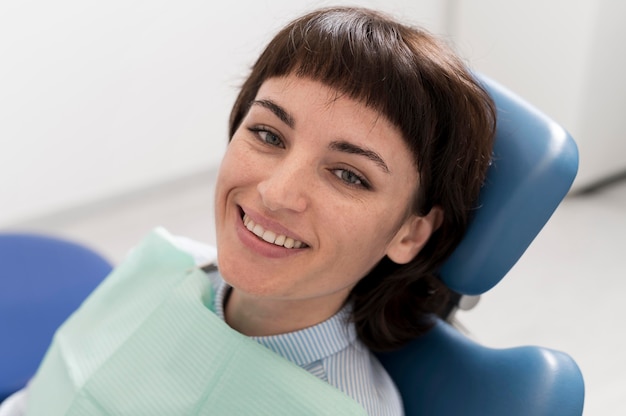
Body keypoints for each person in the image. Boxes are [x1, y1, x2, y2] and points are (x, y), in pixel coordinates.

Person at [0, 6, 496, 416]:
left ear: (410, 233)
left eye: (349, 174)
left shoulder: (335, 407)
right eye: (268, 134)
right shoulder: (167, 267)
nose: (276, 193)